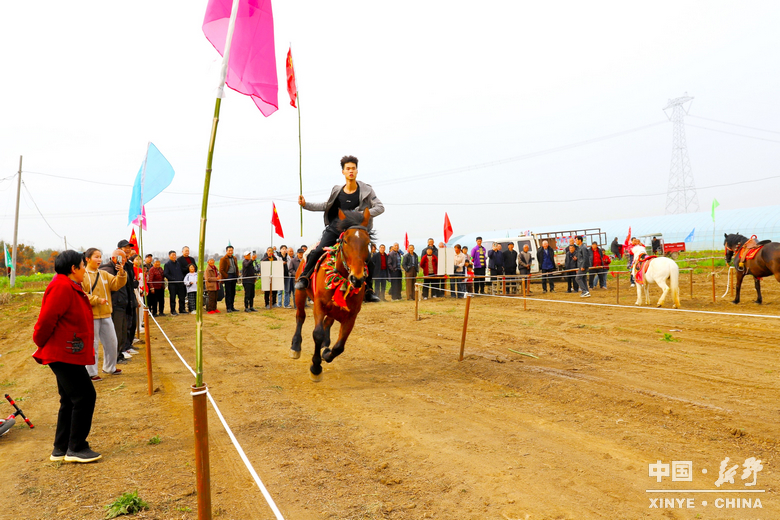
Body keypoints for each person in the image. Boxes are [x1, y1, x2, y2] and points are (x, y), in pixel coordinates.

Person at [33, 250, 102, 463]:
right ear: (74, 268)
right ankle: (76, 447)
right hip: (62, 353)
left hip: (67, 351)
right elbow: (46, 320)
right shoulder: (62, 286)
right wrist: (40, 341)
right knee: (84, 396)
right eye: (82, 265)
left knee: (70, 400)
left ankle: (61, 448)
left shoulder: (69, 284)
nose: (84, 269)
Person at [295, 155, 384, 303]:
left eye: (353, 168)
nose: (351, 171)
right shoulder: (337, 190)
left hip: (356, 229)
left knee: (369, 258)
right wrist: (306, 205)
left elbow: (380, 207)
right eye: (347, 169)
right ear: (343, 171)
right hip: (336, 227)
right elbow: (325, 206)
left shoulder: (367, 190)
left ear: (357, 171)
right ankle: (304, 277)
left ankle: (368, 289)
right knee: (318, 250)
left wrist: (359, 214)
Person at [82, 248, 126, 381]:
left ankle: (110, 367)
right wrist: (97, 300)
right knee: (92, 345)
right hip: (91, 316)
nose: (99, 259)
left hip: (106, 314)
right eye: (96, 257)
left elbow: (117, 284)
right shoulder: (83, 275)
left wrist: (121, 273)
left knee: (112, 342)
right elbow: (82, 295)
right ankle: (91, 372)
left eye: (100, 257)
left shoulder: (104, 274)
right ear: (87, 259)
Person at [99, 249, 133, 364]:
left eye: (124, 258)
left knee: (123, 330)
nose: (123, 260)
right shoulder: (106, 270)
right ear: (114, 258)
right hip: (114, 305)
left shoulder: (122, 269)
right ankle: (115, 357)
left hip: (123, 304)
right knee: (116, 332)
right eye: (121, 258)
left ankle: (120, 352)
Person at [163, 250, 185, 315]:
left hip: (180, 283)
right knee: (173, 298)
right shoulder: (167, 264)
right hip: (172, 284)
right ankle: (173, 311)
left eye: (175, 255)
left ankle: (182, 309)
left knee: (181, 297)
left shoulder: (178, 263)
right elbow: (166, 274)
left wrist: (181, 278)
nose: (174, 256)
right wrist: (173, 279)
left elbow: (181, 272)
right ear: (169, 256)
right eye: (172, 255)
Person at [219, 246, 239, 312]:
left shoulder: (234, 258)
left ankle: (232, 307)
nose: (230, 252)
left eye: (231, 250)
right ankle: (228, 307)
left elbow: (236, 267)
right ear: (226, 251)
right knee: (228, 293)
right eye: (229, 250)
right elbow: (221, 270)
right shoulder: (223, 259)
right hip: (228, 276)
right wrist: (227, 276)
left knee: (233, 292)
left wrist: (237, 275)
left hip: (234, 276)